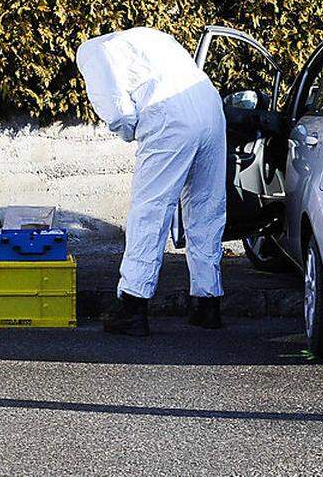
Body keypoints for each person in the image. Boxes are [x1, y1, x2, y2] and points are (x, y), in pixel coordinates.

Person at [76, 28, 228, 336]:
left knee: (151, 210)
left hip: (168, 117)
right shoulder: (152, 36)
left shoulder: (90, 52)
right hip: (210, 108)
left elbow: (117, 110)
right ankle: (207, 303)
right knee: (207, 207)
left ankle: (132, 305)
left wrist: (132, 130)